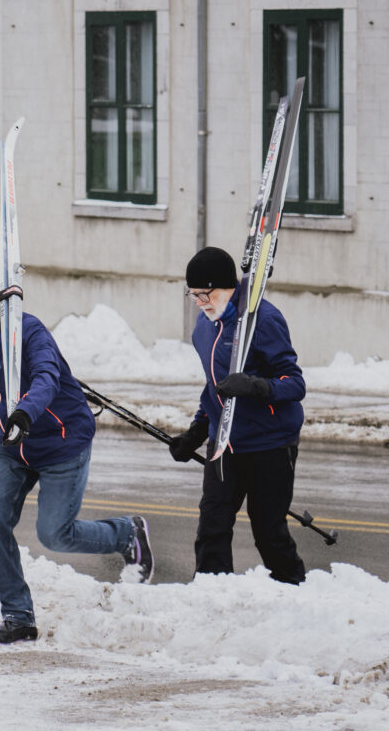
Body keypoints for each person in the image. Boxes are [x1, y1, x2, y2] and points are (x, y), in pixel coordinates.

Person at [0, 269, 154, 645]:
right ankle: (18, 616)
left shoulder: (29, 332)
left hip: (61, 442)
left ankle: (127, 534)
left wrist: (25, 413)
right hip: (13, 446)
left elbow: (47, 377)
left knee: (54, 534)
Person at [168, 246, 307, 585]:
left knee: (268, 531)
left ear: (228, 287)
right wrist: (196, 432)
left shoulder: (264, 320)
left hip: (270, 443)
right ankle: (212, 594)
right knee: (212, 527)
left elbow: (294, 383)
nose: (200, 302)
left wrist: (255, 386)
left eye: (205, 294)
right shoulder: (204, 328)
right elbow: (214, 387)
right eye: (193, 294)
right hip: (225, 444)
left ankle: (295, 593)